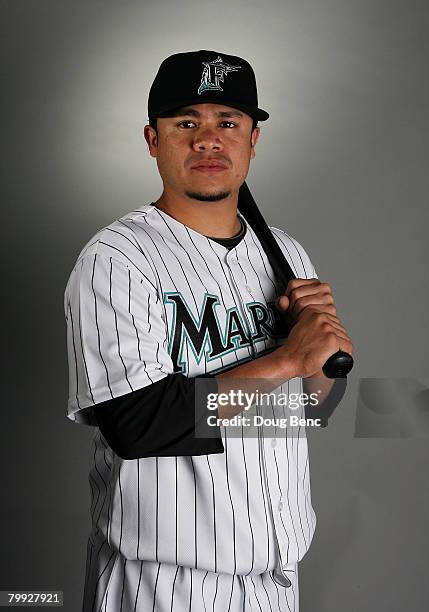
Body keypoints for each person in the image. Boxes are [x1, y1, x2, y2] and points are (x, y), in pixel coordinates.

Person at [64, 50, 353, 612]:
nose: (208, 140)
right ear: (153, 139)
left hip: (278, 577)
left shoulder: (288, 255)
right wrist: (287, 360)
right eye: (186, 123)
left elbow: (311, 411)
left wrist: (322, 363)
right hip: (164, 581)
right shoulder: (117, 259)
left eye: (228, 122)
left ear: (252, 140)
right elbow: (138, 426)